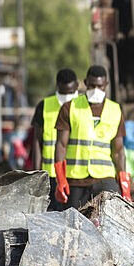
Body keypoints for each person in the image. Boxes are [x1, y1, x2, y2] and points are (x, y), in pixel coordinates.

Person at [54, 65, 132, 209]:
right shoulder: (69, 108)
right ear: (85, 83)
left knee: (108, 225)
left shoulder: (115, 110)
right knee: (75, 226)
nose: (96, 90)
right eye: (92, 85)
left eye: (100, 86)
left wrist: (124, 184)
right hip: (76, 181)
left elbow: (119, 150)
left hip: (105, 180)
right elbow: (61, 145)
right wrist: (60, 178)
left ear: (106, 85)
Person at [31, 68, 79, 210]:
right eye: (64, 92)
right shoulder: (44, 106)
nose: (67, 96)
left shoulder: (84, 106)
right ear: (57, 86)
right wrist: (36, 174)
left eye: (70, 92)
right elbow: (37, 142)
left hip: (75, 176)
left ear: (77, 86)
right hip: (51, 176)